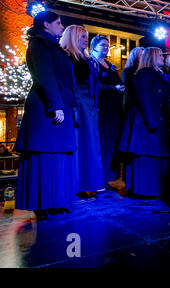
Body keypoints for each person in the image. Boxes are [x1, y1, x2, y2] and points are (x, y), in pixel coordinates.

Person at [15, 11, 78, 219]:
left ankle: (55, 201)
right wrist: (55, 105)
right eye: (58, 23)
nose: (62, 27)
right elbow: (44, 76)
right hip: (46, 107)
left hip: (59, 104)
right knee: (45, 155)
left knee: (56, 156)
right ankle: (42, 203)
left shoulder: (51, 44)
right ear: (45, 24)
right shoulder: (39, 43)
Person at [118, 47, 170, 197]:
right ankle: (144, 190)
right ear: (151, 57)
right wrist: (152, 123)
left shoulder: (159, 74)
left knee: (154, 155)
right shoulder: (144, 73)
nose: (163, 58)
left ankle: (153, 189)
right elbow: (144, 98)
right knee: (145, 154)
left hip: (157, 119)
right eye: (159, 56)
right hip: (146, 122)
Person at [60, 25, 103, 198]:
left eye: (86, 36)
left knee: (89, 144)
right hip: (75, 101)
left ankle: (87, 182)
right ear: (74, 37)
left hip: (88, 102)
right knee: (79, 143)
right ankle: (76, 184)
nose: (86, 40)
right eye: (83, 37)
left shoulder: (86, 58)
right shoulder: (66, 56)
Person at [90, 35, 124, 184]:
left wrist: (120, 87)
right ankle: (100, 176)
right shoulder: (91, 63)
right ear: (94, 46)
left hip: (114, 108)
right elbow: (94, 85)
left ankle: (111, 176)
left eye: (107, 45)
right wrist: (113, 88)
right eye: (103, 45)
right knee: (102, 142)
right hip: (102, 108)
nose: (106, 47)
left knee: (112, 142)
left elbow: (118, 81)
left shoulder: (110, 65)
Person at [122, 47, 144, 114]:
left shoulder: (145, 70)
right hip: (133, 104)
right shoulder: (128, 70)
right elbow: (128, 89)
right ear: (135, 57)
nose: (143, 57)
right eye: (141, 55)